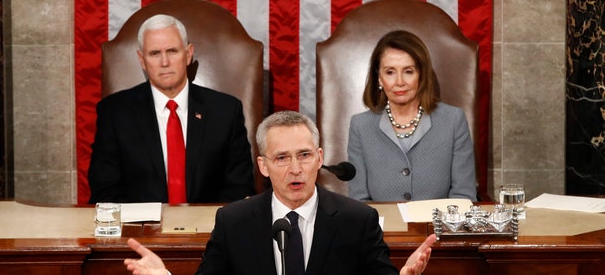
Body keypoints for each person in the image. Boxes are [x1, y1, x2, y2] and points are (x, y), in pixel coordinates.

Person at [124, 110, 437, 275]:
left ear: (319, 158)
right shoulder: (234, 222)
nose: (295, 169)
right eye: (282, 158)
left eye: (303, 155)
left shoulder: (358, 220)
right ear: (263, 165)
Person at [87, 14, 255, 204]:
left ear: (188, 54)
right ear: (142, 60)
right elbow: (105, 190)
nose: (164, 62)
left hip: (210, 229)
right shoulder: (115, 112)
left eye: (172, 51)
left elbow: (239, 188)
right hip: (140, 230)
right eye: (155, 53)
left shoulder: (225, 111)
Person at [348, 30, 477, 202]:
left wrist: (439, 229)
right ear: (379, 78)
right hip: (379, 227)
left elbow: (463, 196)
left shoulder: (453, 120)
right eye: (390, 72)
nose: (399, 82)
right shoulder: (360, 126)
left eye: (408, 71)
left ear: (421, 75)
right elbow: (359, 201)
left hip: (437, 227)